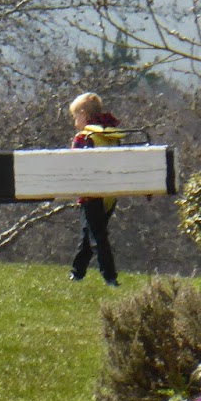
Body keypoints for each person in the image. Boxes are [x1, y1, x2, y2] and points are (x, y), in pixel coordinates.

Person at [69, 92, 122, 286]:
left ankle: (110, 277)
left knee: (97, 237)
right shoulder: (110, 135)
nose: (75, 122)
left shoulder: (84, 138)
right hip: (110, 194)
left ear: (84, 115)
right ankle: (77, 273)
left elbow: (73, 166)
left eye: (75, 116)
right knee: (88, 235)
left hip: (90, 194)